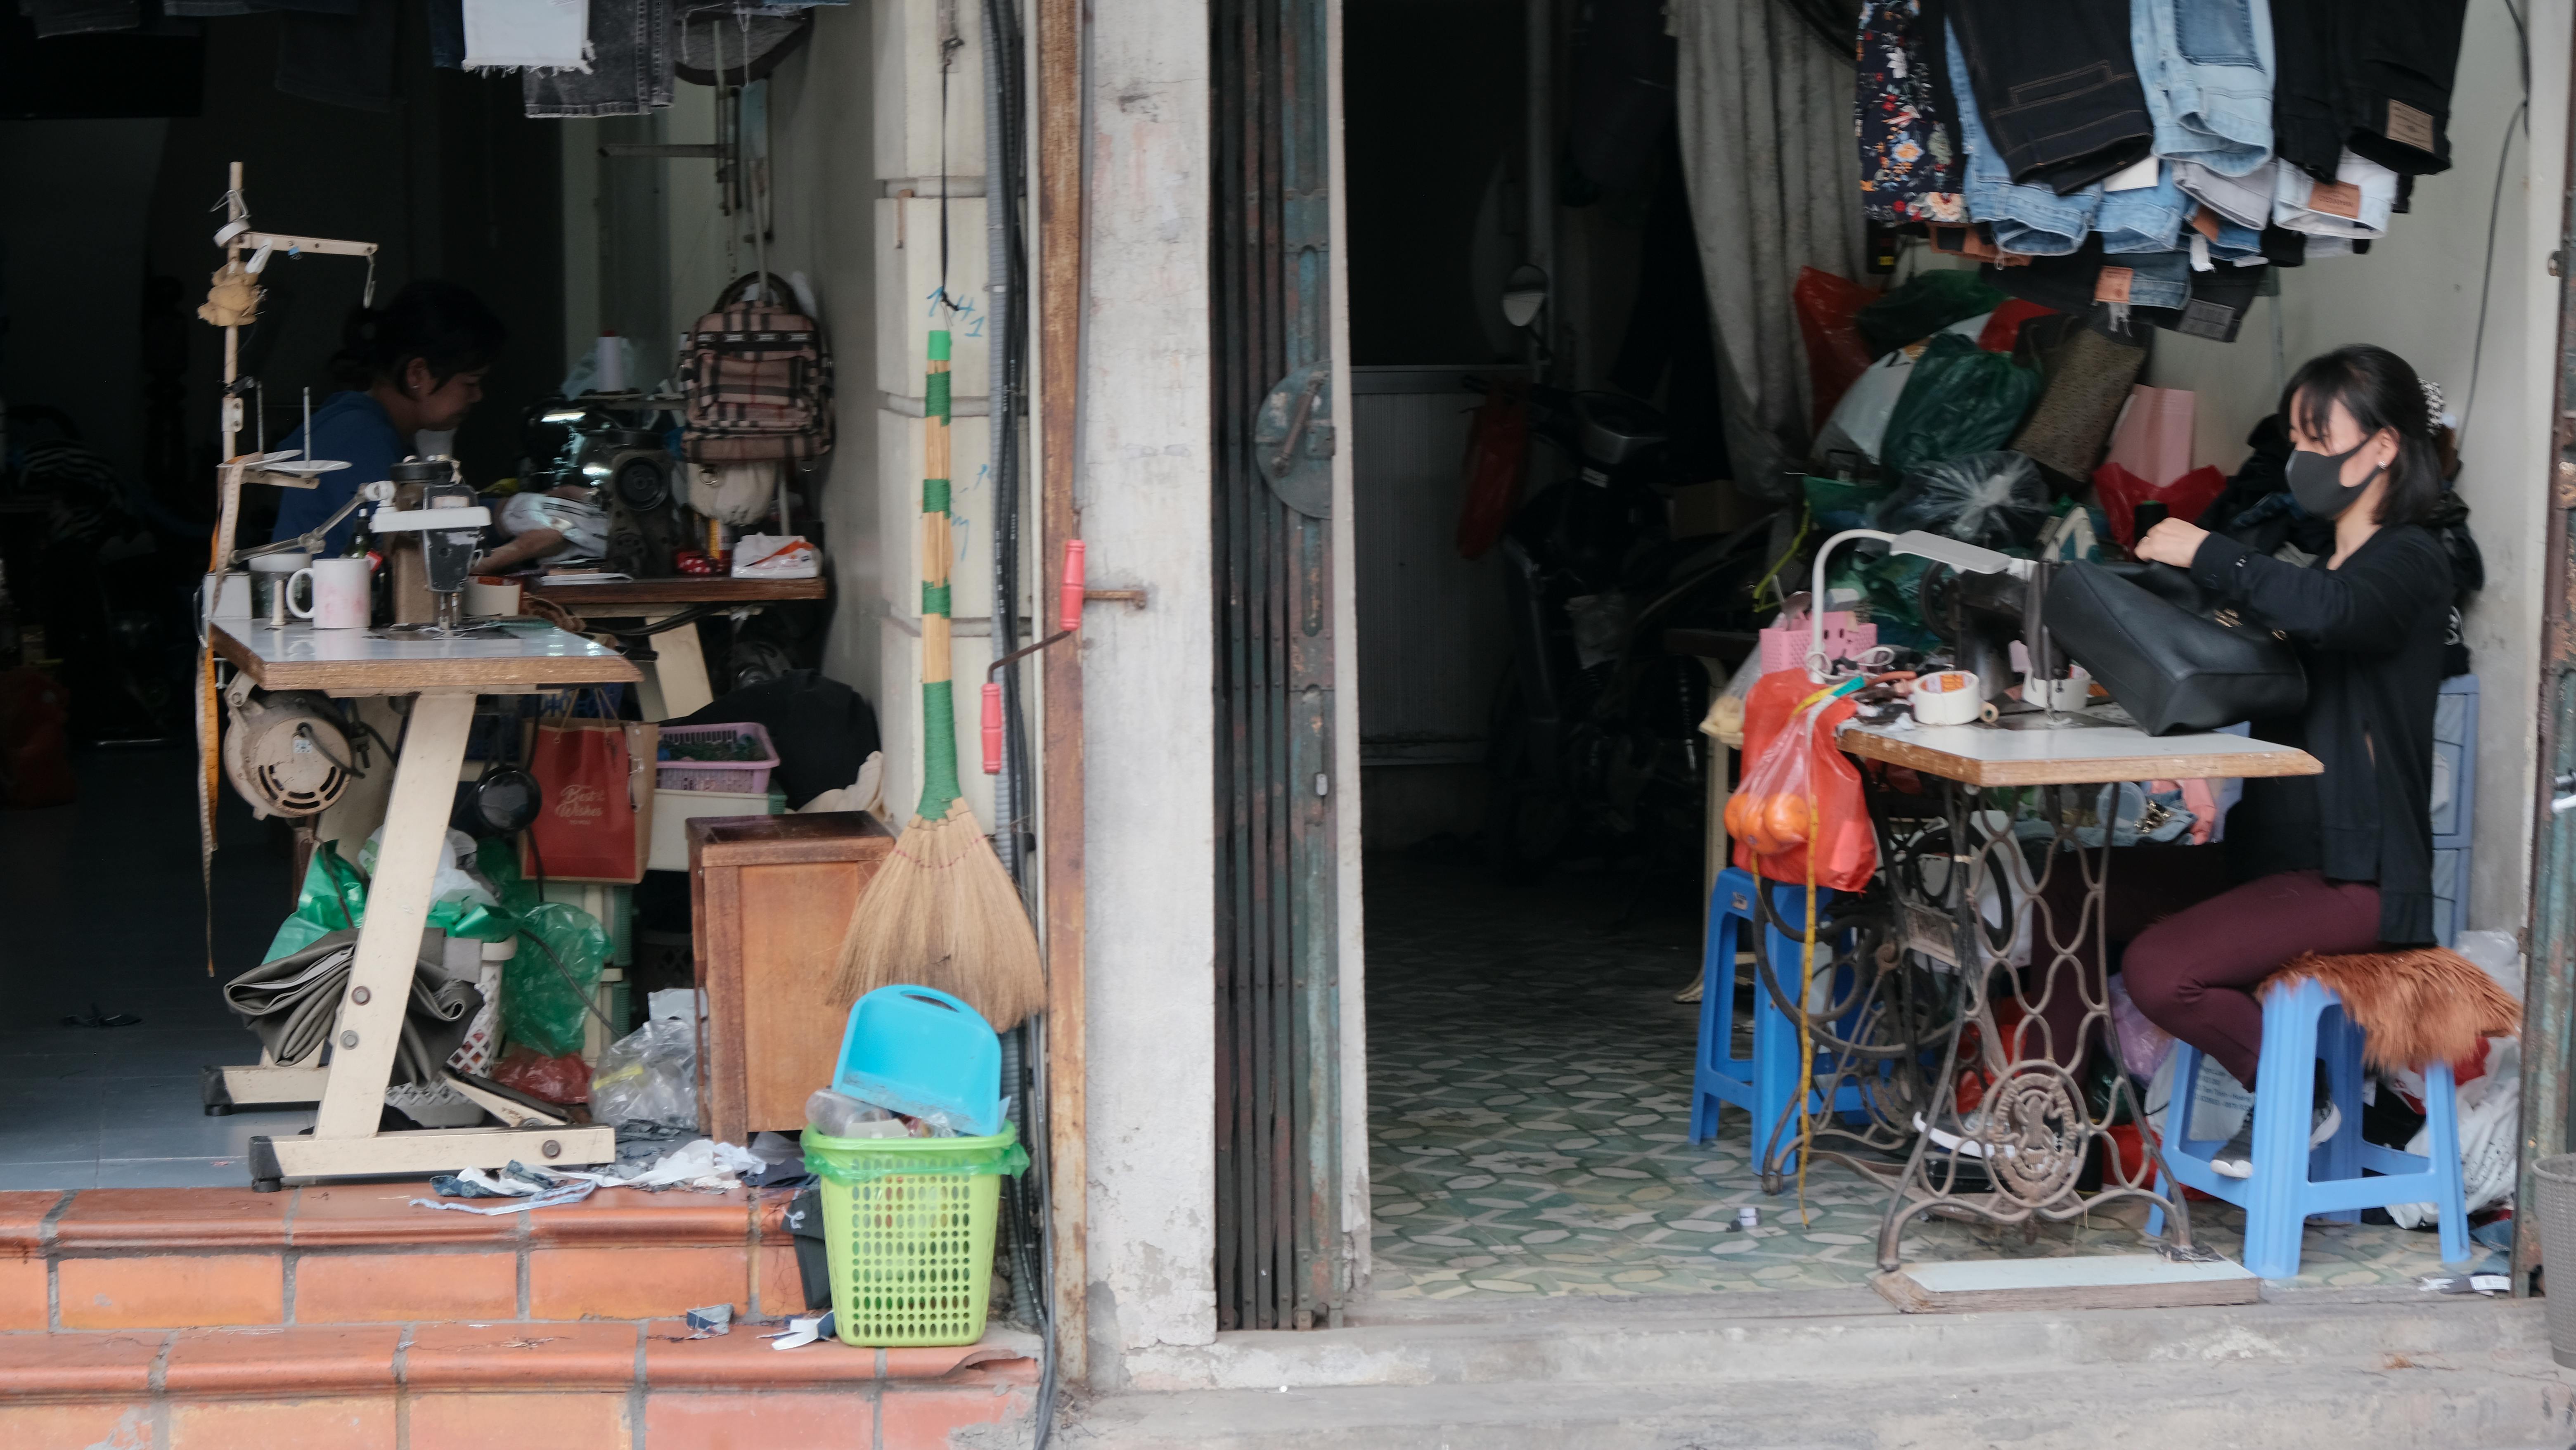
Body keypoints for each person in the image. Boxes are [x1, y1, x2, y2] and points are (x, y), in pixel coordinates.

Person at [2120, 344, 2456, 1176]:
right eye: (2296, 441)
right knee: (2064, 895)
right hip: (2275, 860)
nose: (2302, 461)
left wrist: (2211, 553)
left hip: (2360, 878)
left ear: (2383, 448)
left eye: (2319, 440)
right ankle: (2032, 1128)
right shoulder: (2319, 567)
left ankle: (2295, 1088)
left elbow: (2339, 614)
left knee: (2161, 969)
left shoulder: (2411, 561)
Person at [272, 280, 506, 558]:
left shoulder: (375, 430)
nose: (478, 396)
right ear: (417, 374)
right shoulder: (359, 437)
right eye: (471, 383)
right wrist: (519, 540)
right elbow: (414, 557)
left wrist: (506, 512)